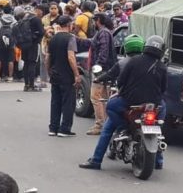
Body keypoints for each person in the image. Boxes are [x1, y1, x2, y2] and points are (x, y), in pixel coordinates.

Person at [79, 35, 167, 170]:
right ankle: (159, 161)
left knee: (110, 109)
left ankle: (98, 159)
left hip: (130, 103)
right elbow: (163, 89)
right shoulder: (162, 67)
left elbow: (121, 82)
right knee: (157, 125)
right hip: (153, 105)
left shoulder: (132, 61)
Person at [46, 15, 80, 137]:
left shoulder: (53, 38)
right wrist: (76, 74)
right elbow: (71, 56)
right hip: (66, 74)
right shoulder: (70, 38)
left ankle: (53, 128)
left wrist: (48, 70)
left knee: (55, 101)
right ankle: (64, 128)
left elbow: (48, 57)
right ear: (69, 25)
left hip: (55, 74)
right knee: (68, 101)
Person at [85, 13, 116, 135]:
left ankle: (99, 125)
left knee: (96, 97)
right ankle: (105, 124)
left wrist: (97, 67)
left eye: (94, 21)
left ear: (98, 21)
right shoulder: (106, 32)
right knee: (103, 98)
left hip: (101, 71)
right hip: (105, 70)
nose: (92, 24)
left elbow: (103, 51)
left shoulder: (103, 33)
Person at [15, 3, 44, 92]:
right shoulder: (36, 19)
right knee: (32, 63)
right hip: (34, 44)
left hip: (24, 45)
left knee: (26, 64)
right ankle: (31, 85)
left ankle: (26, 84)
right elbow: (41, 32)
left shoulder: (23, 20)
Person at [0, 5, 16, 83]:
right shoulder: (14, 20)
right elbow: (15, 30)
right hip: (11, 42)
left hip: (0, 42)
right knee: (10, 59)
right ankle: (10, 77)